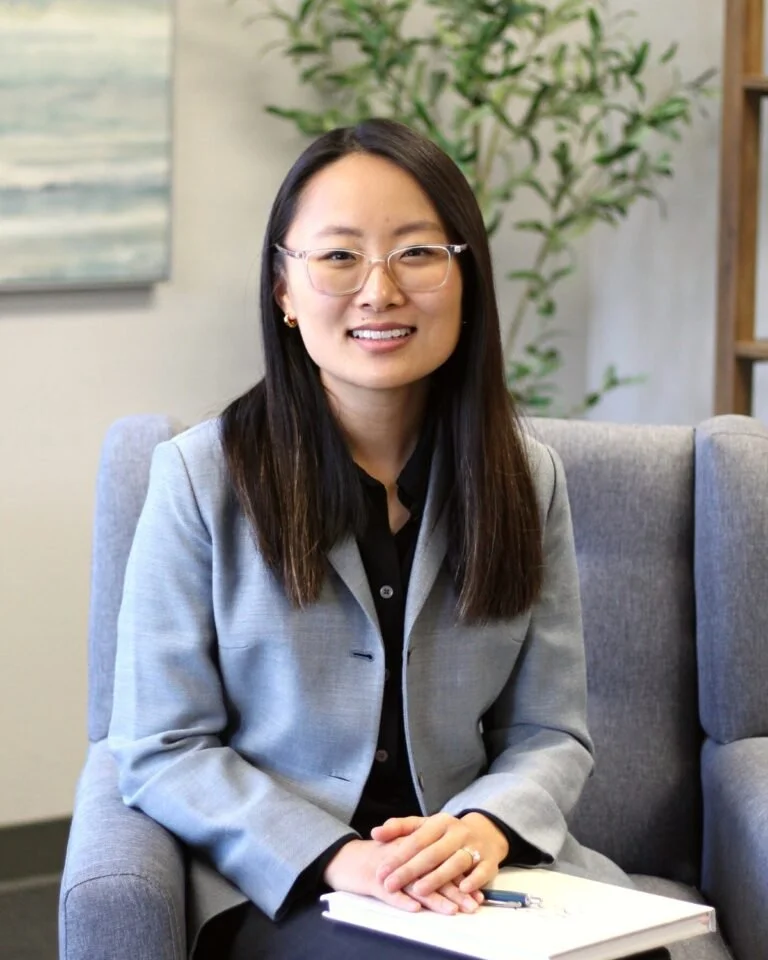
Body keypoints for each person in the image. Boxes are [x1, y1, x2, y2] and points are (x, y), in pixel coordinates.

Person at [108, 118, 670, 959]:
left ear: (466, 279)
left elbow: (550, 732)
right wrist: (342, 858)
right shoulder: (200, 478)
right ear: (284, 290)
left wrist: (482, 826)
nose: (379, 291)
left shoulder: (526, 477)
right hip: (293, 886)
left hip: (480, 875)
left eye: (416, 254)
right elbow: (162, 746)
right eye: (339, 256)